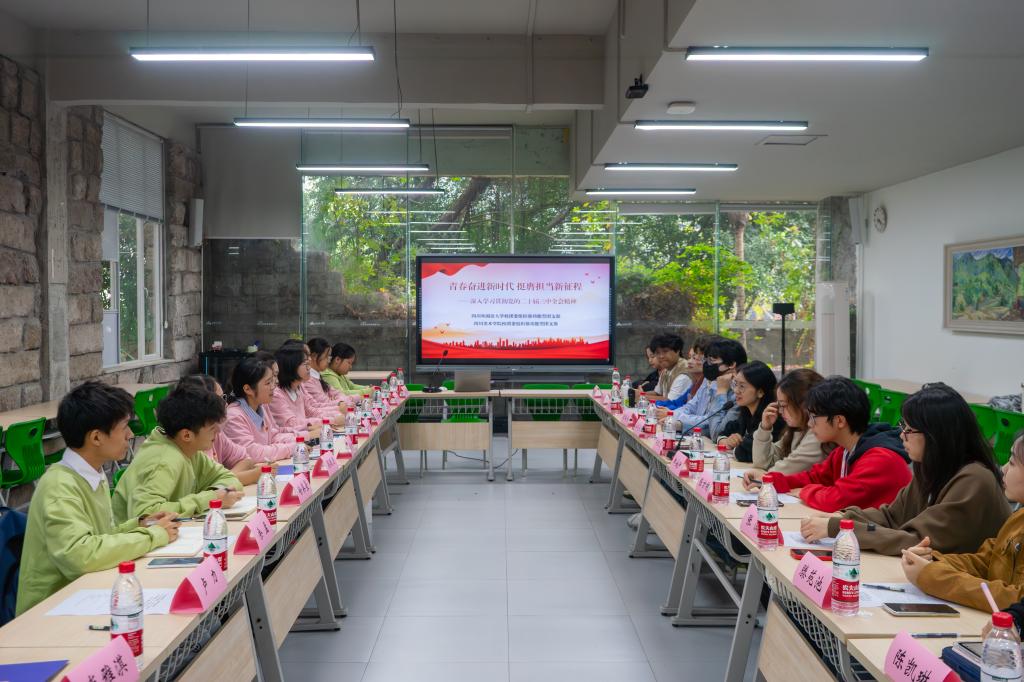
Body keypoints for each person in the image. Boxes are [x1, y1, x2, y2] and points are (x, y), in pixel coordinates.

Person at [16, 382, 179, 615]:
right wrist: (153, 535)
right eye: (124, 427)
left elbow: (100, 536)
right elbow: (81, 555)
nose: (131, 434)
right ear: (96, 437)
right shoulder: (59, 486)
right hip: (51, 611)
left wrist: (140, 525)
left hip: (86, 595)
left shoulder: (93, 473)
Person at [800, 383, 1009, 556]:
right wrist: (842, 518)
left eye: (909, 429)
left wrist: (839, 527)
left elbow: (919, 542)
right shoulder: (932, 469)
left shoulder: (973, 479)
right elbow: (892, 516)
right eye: (902, 427)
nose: (902, 435)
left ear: (936, 435)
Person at [902, 434, 1024, 611]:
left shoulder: (973, 477)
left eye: (1012, 463)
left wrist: (932, 575)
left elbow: (1017, 600)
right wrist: (931, 560)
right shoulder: (1018, 517)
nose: (1003, 469)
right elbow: (985, 562)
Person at [759, 376, 911, 513]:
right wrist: (770, 481)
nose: (809, 424)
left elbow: (836, 500)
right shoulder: (844, 451)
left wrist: (804, 491)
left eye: (813, 417)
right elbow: (814, 477)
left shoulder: (880, 459)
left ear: (839, 421)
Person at [112, 384, 243, 522]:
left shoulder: (189, 449)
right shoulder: (164, 461)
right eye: (212, 429)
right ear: (186, 435)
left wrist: (219, 494)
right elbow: (147, 516)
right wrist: (210, 499)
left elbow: (229, 478)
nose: (219, 432)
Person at [741, 368, 827, 484]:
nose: (780, 411)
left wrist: (763, 477)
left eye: (784, 405)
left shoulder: (819, 432)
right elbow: (762, 463)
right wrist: (765, 428)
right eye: (779, 406)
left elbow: (788, 468)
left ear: (803, 404)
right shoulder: (795, 430)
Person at [177, 374, 266, 486]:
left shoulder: (215, 432)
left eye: (224, 397)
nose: (226, 404)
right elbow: (209, 486)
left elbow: (246, 459)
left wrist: (227, 478)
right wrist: (250, 476)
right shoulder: (193, 440)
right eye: (220, 399)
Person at [222, 356, 306, 463]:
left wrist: (300, 442)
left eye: (272, 381)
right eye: (268, 383)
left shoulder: (260, 406)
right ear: (248, 389)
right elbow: (253, 453)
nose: (273, 387)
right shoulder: (234, 416)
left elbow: (273, 437)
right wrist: (292, 448)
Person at [668, 337, 746, 435]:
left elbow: (715, 428)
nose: (707, 364)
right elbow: (691, 406)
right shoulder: (709, 379)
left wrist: (681, 424)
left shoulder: (738, 392)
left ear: (731, 364)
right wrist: (671, 416)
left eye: (711, 361)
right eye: (706, 360)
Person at [712, 361, 783, 463]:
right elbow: (723, 433)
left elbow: (745, 453)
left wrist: (735, 447)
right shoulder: (746, 413)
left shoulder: (771, 418)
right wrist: (726, 441)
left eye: (742, 386)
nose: (736, 390)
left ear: (760, 392)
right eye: (735, 384)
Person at [268, 344, 345, 433]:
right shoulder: (276, 394)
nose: (309, 367)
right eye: (305, 364)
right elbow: (291, 423)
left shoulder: (298, 387)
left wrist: (336, 413)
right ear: (291, 366)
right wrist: (331, 420)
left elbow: (311, 411)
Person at [654, 335, 713, 418]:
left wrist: (671, 413)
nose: (689, 362)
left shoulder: (685, 376)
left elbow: (706, 419)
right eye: (690, 357)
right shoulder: (699, 383)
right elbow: (681, 405)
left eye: (696, 358)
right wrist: (658, 407)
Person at [303, 338, 352, 412]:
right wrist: (339, 403)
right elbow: (323, 403)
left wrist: (339, 402)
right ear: (314, 356)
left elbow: (337, 393)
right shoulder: (308, 380)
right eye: (327, 356)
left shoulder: (317, 376)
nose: (329, 360)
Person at [646, 334, 692, 402]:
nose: (661, 356)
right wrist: (638, 393)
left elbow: (670, 401)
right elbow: (657, 393)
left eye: (665, 351)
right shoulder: (666, 370)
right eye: (658, 353)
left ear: (677, 351)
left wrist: (641, 397)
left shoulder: (683, 374)